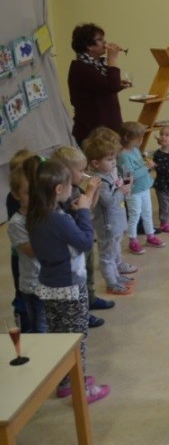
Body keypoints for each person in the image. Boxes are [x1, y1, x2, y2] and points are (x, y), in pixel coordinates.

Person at [25, 157, 110, 403]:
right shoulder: (58, 219)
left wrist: (74, 210)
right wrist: (83, 212)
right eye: (69, 186)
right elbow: (84, 242)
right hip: (70, 287)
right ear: (58, 190)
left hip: (49, 287)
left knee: (59, 337)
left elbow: (58, 233)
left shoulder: (36, 214)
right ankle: (80, 389)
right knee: (77, 339)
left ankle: (65, 382)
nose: (74, 188)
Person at [51, 146, 113, 325]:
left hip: (83, 237)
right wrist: (91, 191)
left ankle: (91, 298)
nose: (84, 173)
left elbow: (88, 207)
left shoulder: (76, 187)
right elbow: (81, 210)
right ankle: (83, 312)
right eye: (81, 170)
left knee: (89, 271)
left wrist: (95, 191)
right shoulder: (64, 193)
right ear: (65, 172)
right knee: (80, 277)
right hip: (74, 243)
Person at [84, 136, 135, 296]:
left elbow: (119, 195)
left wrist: (125, 186)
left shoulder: (109, 174)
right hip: (108, 226)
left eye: (114, 158)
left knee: (115, 250)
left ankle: (116, 276)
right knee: (107, 255)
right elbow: (108, 202)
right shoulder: (100, 181)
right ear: (95, 163)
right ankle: (111, 283)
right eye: (109, 159)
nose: (114, 162)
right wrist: (121, 191)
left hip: (116, 221)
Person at [67, 23, 130, 145]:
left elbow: (104, 86)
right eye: (100, 40)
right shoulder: (81, 67)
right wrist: (112, 58)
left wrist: (118, 84)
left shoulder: (95, 64)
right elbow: (110, 86)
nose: (105, 43)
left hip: (106, 129)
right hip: (95, 133)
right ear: (89, 46)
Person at [7, 166, 46, 332]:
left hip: (52, 280)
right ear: (16, 195)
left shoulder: (46, 213)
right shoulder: (17, 223)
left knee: (53, 322)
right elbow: (32, 251)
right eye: (29, 192)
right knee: (40, 326)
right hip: (34, 286)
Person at [118, 122, 164, 254]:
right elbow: (129, 175)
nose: (141, 140)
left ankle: (150, 236)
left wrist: (145, 165)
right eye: (138, 137)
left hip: (144, 187)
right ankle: (133, 241)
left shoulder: (135, 150)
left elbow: (139, 168)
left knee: (147, 213)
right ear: (127, 137)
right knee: (134, 215)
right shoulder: (123, 156)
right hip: (134, 191)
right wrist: (147, 167)